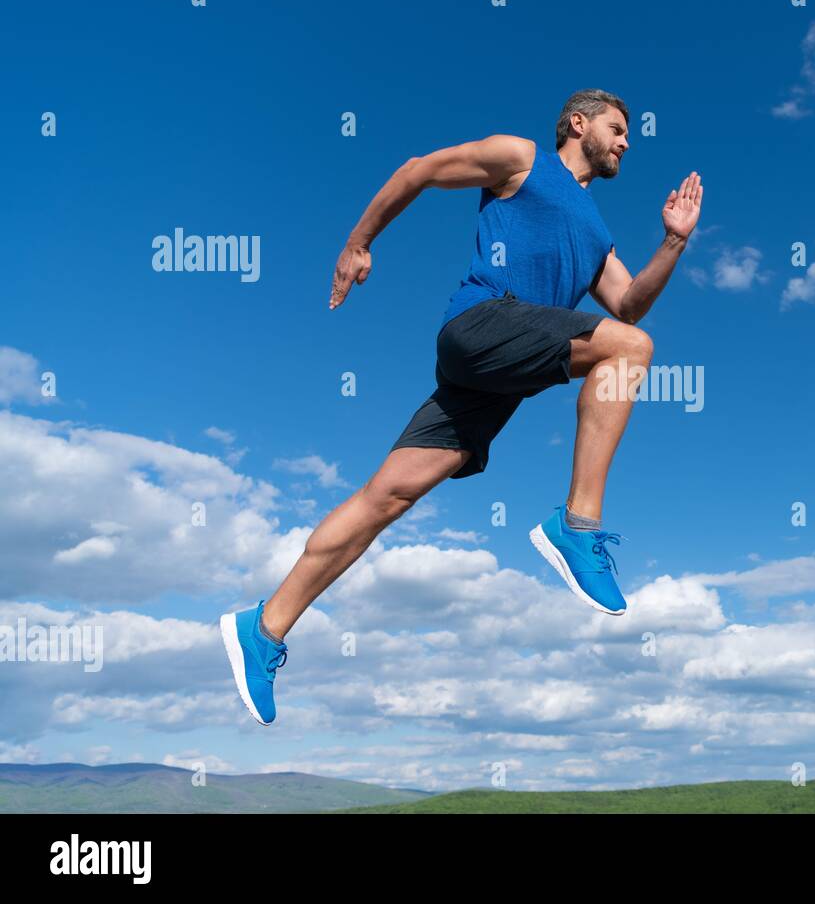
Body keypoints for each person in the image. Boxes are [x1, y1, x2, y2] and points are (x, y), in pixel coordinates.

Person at [220, 89, 703, 725]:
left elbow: (630, 303)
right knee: (632, 352)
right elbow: (419, 169)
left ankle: (265, 627)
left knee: (388, 496)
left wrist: (672, 243)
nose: (626, 142)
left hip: (497, 378)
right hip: (483, 323)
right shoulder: (522, 159)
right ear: (578, 123)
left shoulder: (597, 237)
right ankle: (577, 526)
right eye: (617, 128)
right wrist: (359, 242)